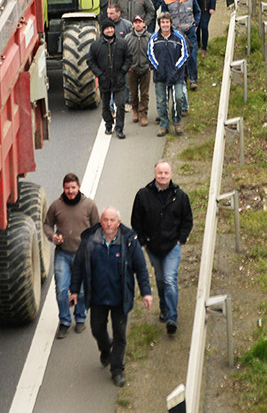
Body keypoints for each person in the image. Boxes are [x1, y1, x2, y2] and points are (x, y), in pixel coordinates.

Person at [68, 207, 152, 388]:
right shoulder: (89, 241)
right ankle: (105, 348)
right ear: (100, 221)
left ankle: (117, 370)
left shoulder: (129, 242)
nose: (108, 223)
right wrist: (74, 290)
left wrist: (146, 293)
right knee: (97, 330)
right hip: (97, 298)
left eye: (112, 220)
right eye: (105, 220)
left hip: (120, 298)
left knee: (120, 334)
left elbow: (141, 268)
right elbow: (78, 266)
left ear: (118, 223)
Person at [131, 161, 193, 336]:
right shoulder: (143, 195)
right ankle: (164, 307)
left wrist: (181, 239)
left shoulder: (180, 196)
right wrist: (142, 241)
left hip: (172, 246)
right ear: (155, 174)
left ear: (171, 174)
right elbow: (136, 220)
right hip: (152, 247)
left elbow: (187, 219)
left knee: (169, 279)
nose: (163, 176)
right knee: (159, 279)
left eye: (166, 173)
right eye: (160, 173)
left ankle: (172, 318)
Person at [44, 173, 101, 339]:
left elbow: (97, 229)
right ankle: (64, 321)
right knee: (62, 289)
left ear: (79, 187)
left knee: (82, 291)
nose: (70, 191)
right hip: (63, 254)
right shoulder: (56, 206)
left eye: (73, 187)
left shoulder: (89, 205)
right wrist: (52, 236)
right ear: (63, 188)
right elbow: (47, 224)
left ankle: (80, 317)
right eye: (67, 188)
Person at [88, 17, 131, 138]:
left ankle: (119, 128)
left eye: (112, 28)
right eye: (107, 28)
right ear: (103, 30)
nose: (110, 30)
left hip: (119, 80)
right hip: (104, 81)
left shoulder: (122, 43)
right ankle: (108, 125)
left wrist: (123, 71)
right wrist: (100, 74)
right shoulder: (96, 45)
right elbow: (90, 61)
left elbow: (128, 58)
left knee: (120, 105)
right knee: (106, 106)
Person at [148, 13, 189, 136]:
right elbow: (150, 55)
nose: (165, 25)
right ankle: (164, 124)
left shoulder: (179, 37)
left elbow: (185, 54)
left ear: (171, 23)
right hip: (160, 75)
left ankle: (177, 122)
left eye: (167, 22)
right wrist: (158, 68)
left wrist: (176, 68)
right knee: (161, 101)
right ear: (159, 24)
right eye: (162, 22)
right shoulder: (154, 38)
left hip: (176, 75)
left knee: (178, 97)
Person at [162, 0, 200, 90]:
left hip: (190, 30)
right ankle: (182, 77)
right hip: (176, 33)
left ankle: (193, 79)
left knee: (192, 55)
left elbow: (197, 11)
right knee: (178, 56)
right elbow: (164, 16)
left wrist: (195, 24)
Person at [124, 14, 152, 126]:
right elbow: (124, 54)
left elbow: (153, 52)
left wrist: (150, 65)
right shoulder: (127, 38)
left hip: (146, 69)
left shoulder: (149, 37)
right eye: (136, 22)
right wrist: (128, 66)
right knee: (133, 93)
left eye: (140, 22)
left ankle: (143, 114)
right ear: (133, 25)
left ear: (144, 24)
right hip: (132, 70)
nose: (138, 24)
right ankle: (135, 111)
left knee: (144, 93)